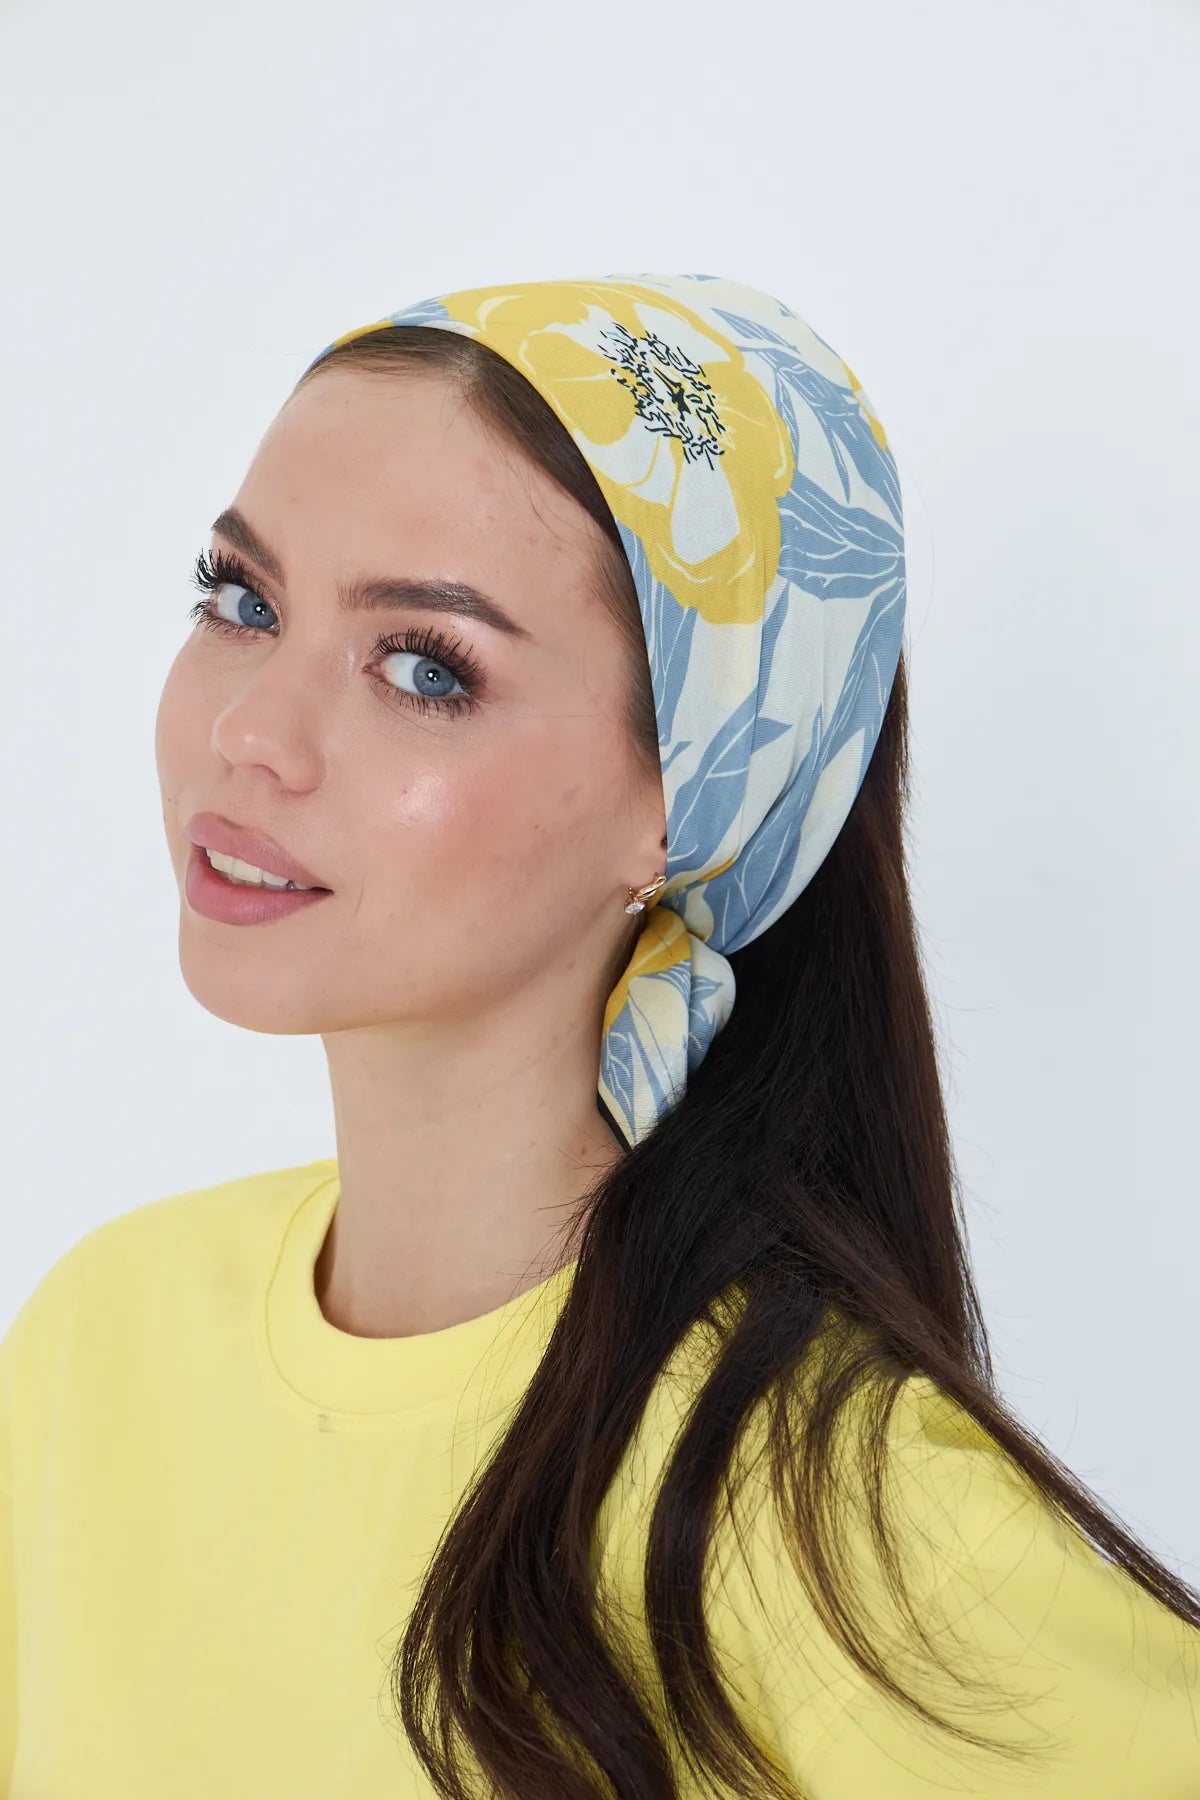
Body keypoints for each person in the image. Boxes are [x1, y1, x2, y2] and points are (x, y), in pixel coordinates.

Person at [1, 273, 1196, 1798]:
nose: (252, 734)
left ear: (688, 797)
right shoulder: (103, 1340)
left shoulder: (861, 1541)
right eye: (244, 599)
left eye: (425, 667)